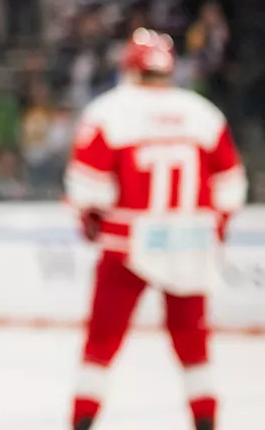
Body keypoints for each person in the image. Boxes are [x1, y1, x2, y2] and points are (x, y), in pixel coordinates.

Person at [65, 28, 247, 430]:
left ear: (129, 67)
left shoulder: (110, 110)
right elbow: (231, 187)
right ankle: (205, 420)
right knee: (194, 344)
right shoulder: (203, 112)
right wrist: (213, 228)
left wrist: (91, 221)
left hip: (127, 242)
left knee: (102, 342)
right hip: (192, 242)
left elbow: (87, 187)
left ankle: (83, 421)